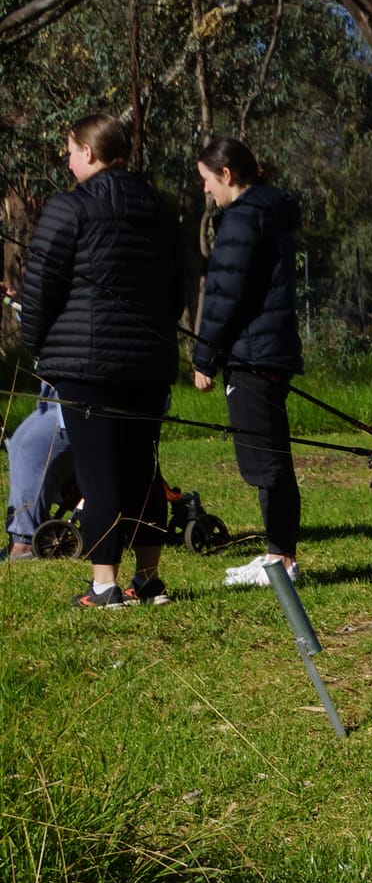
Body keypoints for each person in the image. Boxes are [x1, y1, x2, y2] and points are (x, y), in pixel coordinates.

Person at [8, 114, 180, 608]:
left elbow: (39, 290)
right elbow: (176, 288)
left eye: (69, 150)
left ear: (89, 152)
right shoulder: (159, 208)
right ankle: (147, 580)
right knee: (143, 464)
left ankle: (105, 584)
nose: (67, 160)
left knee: (98, 468)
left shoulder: (69, 207)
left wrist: (38, 346)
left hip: (87, 365)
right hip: (148, 361)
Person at [190, 138, 305, 588]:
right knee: (268, 458)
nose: (205, 191)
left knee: (267, 463)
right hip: (264, 350)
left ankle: (283, 562)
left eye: (205, 180)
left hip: (253, 353)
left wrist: (205, 356)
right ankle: (280, 555)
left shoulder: (241, 219)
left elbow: (225, 295)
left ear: (227, 175)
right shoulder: (267, 212)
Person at [5, 387, 73, 559]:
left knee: (31, 449)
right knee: (17, 443)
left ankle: (25, 542)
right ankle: (21, 534)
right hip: (53, 397)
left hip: (79, 401)